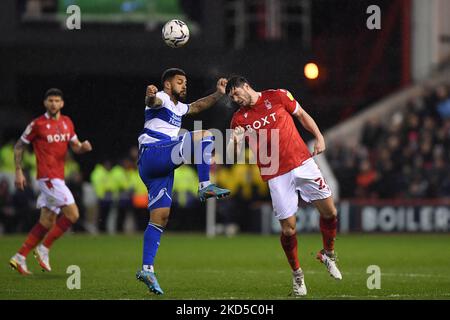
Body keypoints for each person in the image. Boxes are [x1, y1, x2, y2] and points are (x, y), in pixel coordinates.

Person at [225, 76, 342, 296]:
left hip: (303, 163)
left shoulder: (277, 95)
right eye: (232, 98)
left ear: (246, 86)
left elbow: (302, 115)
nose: (236, 99)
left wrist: (318, 137)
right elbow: (232, 154)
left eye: (237, 94)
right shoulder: (239, 119)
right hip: (276, 175)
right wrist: (236, 140)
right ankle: (298, 276)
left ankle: (328, 253)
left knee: (330, 212)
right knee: (288, 229)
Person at [136, 68, 230, 295]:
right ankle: (204, 185)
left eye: (185, 82)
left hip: (157, 167)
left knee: (160, 217)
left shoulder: (178, 107)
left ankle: (147, 269)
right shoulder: (162, 98)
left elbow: (197, 106)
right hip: (154, 153)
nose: (184, 85)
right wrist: (149, 95)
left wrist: (218, 94)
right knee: (206, 134)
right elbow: (152, 100)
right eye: (180, 82)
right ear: (167, 85)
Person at [9, 88, 92, 275]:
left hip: (58, 177)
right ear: (45, 103)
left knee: (46, 221)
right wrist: (18, 171)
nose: (53, 103)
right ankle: (44, 248)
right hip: (48, 178)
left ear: (62, 103)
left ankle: (20, 257)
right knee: (73, 215)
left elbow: (75, 147)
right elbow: (19, 146)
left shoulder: (67, 122)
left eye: (57, 100)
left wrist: (83, 148)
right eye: (50, 100)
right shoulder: (37, 124)